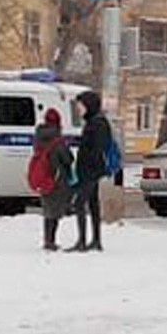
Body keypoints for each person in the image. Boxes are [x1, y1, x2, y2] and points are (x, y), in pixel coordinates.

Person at [70, 90, 112, 252]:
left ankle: (82, 241)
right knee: (93, 204)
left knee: (79, 203)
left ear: (89, 105)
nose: (79, 109)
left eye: (81, 105)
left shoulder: (97, 123)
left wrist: (90, 167)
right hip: (90, 170)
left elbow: (97, 147)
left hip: (91, 171)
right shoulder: (93, 121)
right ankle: (95, 240)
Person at [31, 107, 74, 251]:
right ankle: (50, 241)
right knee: (54, 212)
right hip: (56, 179)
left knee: (48, 210)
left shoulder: (39, 137)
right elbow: (68, 159)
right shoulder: (57, 140)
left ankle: (48, 240)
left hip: (44, 177)